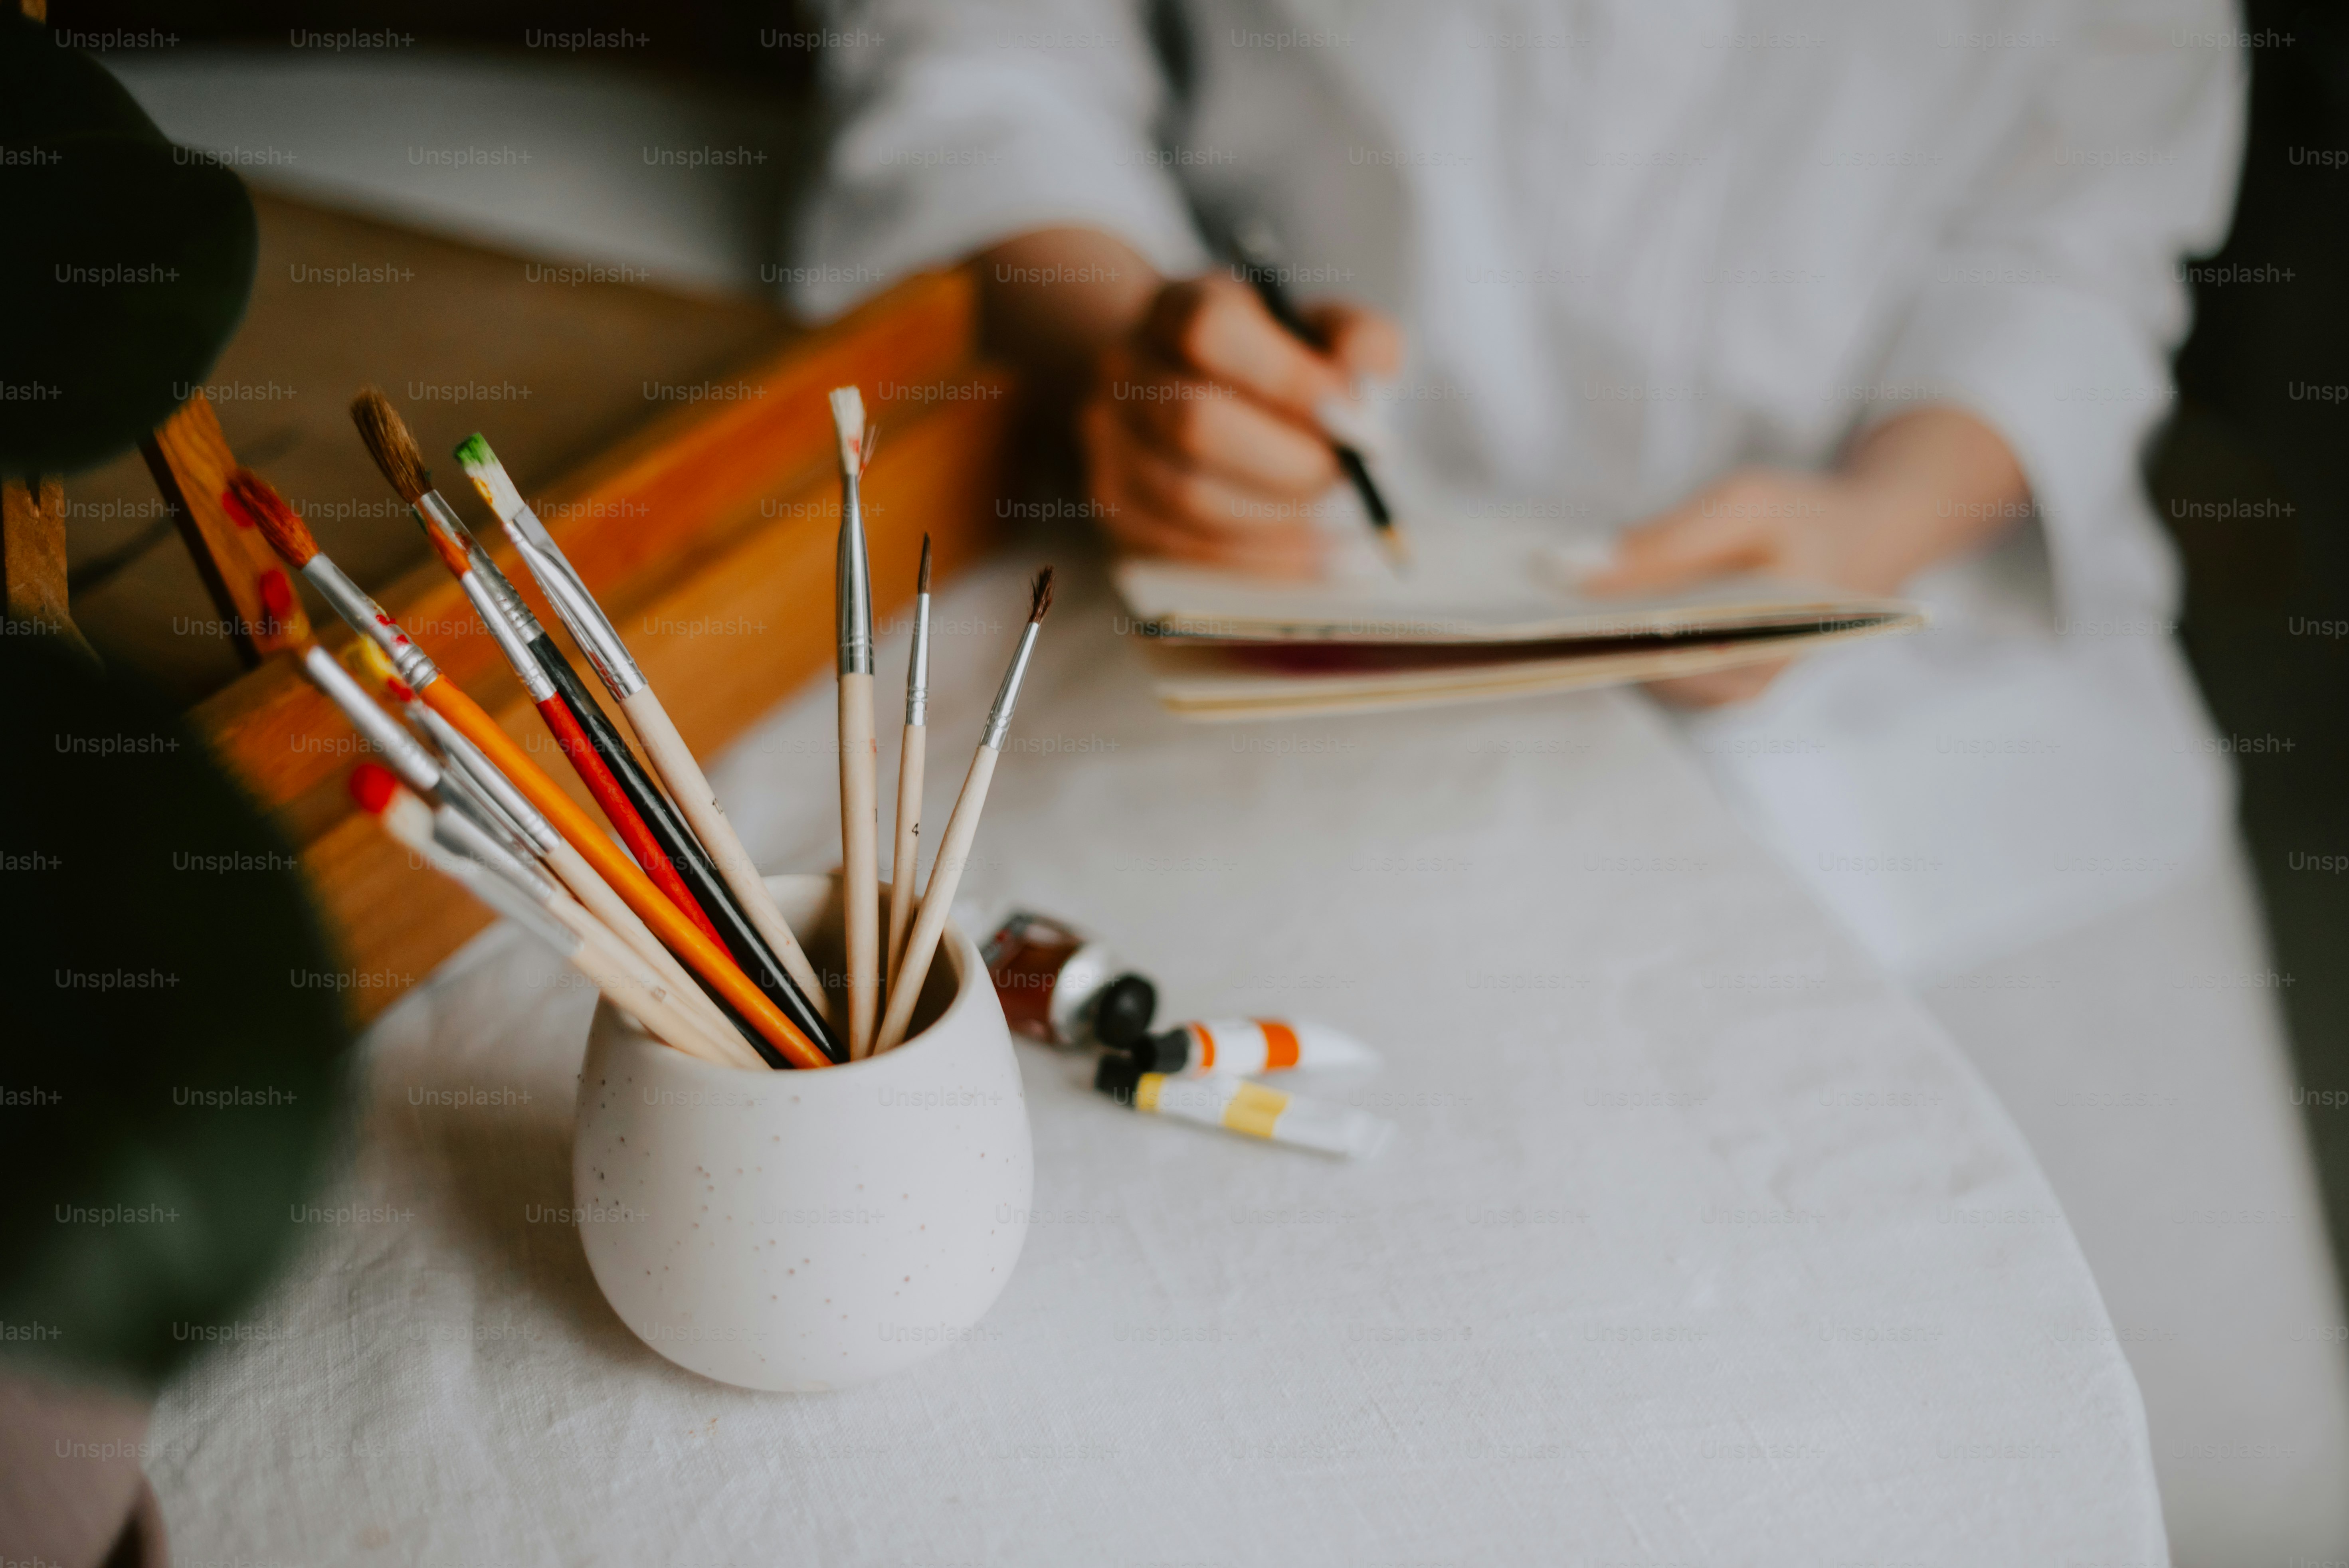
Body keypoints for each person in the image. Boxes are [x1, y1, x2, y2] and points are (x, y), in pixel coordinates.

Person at [788, 2, 2349, 1556]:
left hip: (1959, 701)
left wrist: (1884, 510)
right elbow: (986, 53)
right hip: (1313, 616)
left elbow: (2081, 224)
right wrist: (1126, 355)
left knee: (2225, 1469)